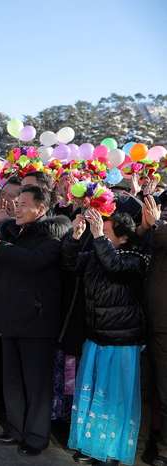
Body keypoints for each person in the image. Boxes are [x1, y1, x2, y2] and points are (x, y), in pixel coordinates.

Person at [0, 185, 70, 457]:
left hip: (37, 322)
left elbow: (32, 262)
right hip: (8, 317)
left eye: (24, 202)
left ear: (41, 208)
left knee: (36, 384)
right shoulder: (10, 233)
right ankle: (15, 429)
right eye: (16, 201)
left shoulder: (52, 235)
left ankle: (36, 437)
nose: (17, 206)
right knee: (12, 380)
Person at [64, 210, 148, 466]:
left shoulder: (136, 258)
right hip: (95, 336)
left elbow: (115, 267)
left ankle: (110, 450)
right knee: (91, 393)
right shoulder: (97, 253)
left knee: (114, 397)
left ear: (123, 238)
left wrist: (98, 237)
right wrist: (75, 238)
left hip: (121, 340)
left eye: (106, 231)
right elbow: (71, 265)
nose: (99, 233)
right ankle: (88, 445)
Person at [141, 195, 167, 466]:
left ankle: (162, 449)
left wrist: (156, 224)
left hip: (163, 324)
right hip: (146, 319)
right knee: (145, 389)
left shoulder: (160, 226)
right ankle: (142, 442)